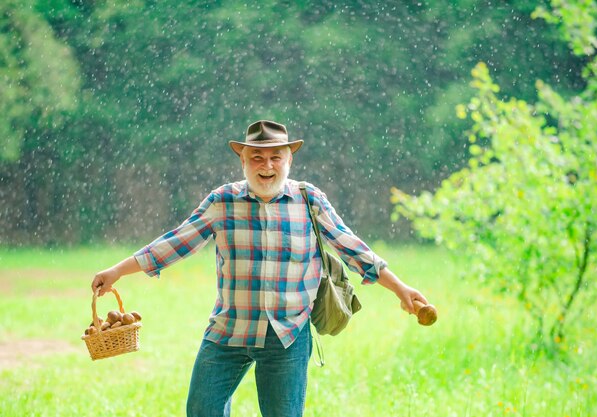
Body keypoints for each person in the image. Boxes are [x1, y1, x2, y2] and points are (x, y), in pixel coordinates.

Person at [91, 120, 430, 417]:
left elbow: (352, 247)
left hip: (287, 334)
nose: (266, 165)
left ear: (289, 159)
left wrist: (401, 288)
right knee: (201, 410)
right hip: (228, 331)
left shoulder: (309, 199)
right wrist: (117, 271)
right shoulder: (222, 202)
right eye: (257, 157)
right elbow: (174, 243)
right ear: (243, 160)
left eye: (275, 157)